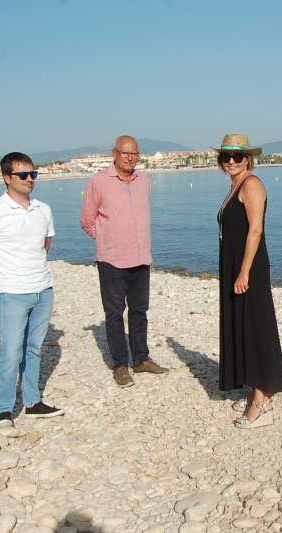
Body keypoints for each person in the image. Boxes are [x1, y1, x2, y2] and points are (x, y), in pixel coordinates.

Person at [0, 152, 64, 435]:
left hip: (43, 290)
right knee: (10, 352)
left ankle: (33, 402)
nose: (30, 180)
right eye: (23, 175)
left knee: (33, 349)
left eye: (33, 174)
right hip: (12, 293)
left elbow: (44, 245)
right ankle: (3, 411)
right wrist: (7, 273)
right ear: (7, 178)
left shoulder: (44, 209)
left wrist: (32, 271)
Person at [80, 135, 168, 388]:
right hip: (112, 259)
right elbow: (87, 220)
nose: (130, 157)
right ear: (114, 153)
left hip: (141, 258)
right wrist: (108, 238)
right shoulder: (99, 181)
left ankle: (141, 359)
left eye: (134, 154)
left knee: (140, 310)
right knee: (114, 313)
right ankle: (120, 364)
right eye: (125, 153)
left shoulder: (144, 181)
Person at [215, 133, 282, 429]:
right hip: (235, 264)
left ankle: (263, 399)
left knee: (256, 327)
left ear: (249, 159)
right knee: (243, 325)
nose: (231, 161)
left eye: (238, 156)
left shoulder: (252, 184)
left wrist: (244, 271)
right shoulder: (234, 186)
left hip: (250, 266)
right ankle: (253, 388)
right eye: (226, 156)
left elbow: (255, 230)